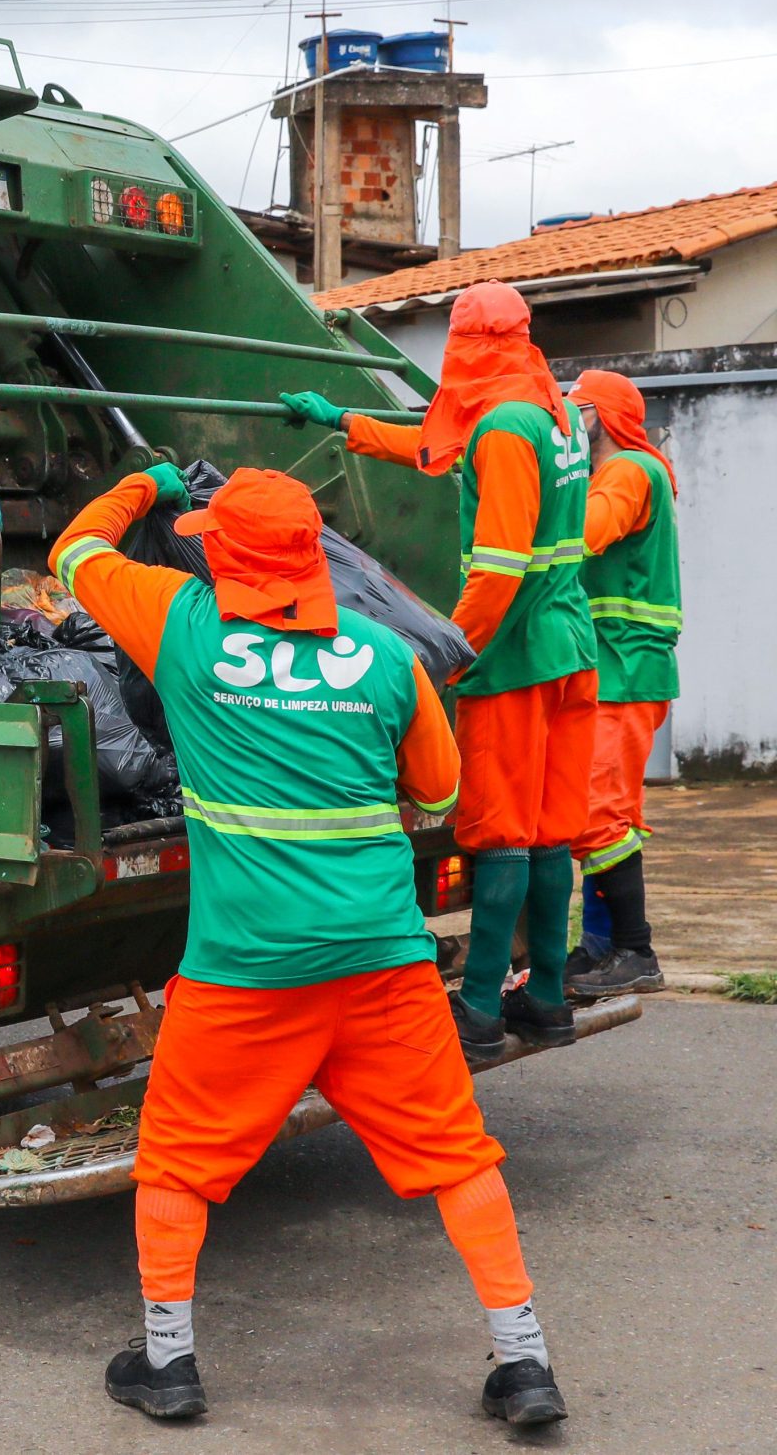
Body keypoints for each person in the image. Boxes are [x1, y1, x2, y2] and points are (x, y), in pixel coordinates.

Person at [54, 462, 567, 1428]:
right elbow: (440, 791)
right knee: (459, 1155)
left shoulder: (181, 623)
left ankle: (167, 1361)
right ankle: (525, 1361)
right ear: (314, 554)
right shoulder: (384, 655)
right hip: (382, 961)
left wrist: (143, 486)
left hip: (247, 970)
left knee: (176, 1159)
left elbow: (74, 551)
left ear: (222, 557)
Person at [281, 281, 597, 1066]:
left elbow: (499, 567)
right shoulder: (549, 409)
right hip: (569, 647)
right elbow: (438, 446)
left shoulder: (506, 428)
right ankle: (546, 996)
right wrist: (345, 423)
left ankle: (481, 1008)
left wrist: (453, 656)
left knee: (500, 831)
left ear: (468, 345)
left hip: (516, 655)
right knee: (548, 829)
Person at [561, 369, 680, 1000]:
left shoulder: (628, 471)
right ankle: (600, 947)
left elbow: (584, 534)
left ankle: (636, 951)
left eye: (575, 410)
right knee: (610, 814)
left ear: (599, 418)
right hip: (620, 666)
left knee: (596, 813)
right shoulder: (621, 471)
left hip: (625, 667)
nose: (566, 420)